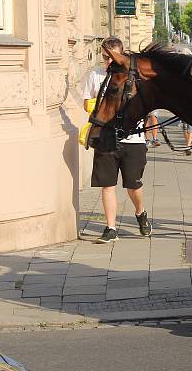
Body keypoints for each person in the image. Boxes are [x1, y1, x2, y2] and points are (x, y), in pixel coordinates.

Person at [81, 37, 151, 243]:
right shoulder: (95, 75)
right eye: (105, 57)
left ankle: (140, 212)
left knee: (133, 185)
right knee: (107, 184)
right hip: (105, 137)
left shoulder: (133, 76)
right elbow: (87, 103)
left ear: (122, 55)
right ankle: (110, 228)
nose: (108, 61)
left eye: (112, 57)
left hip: (133, 140)